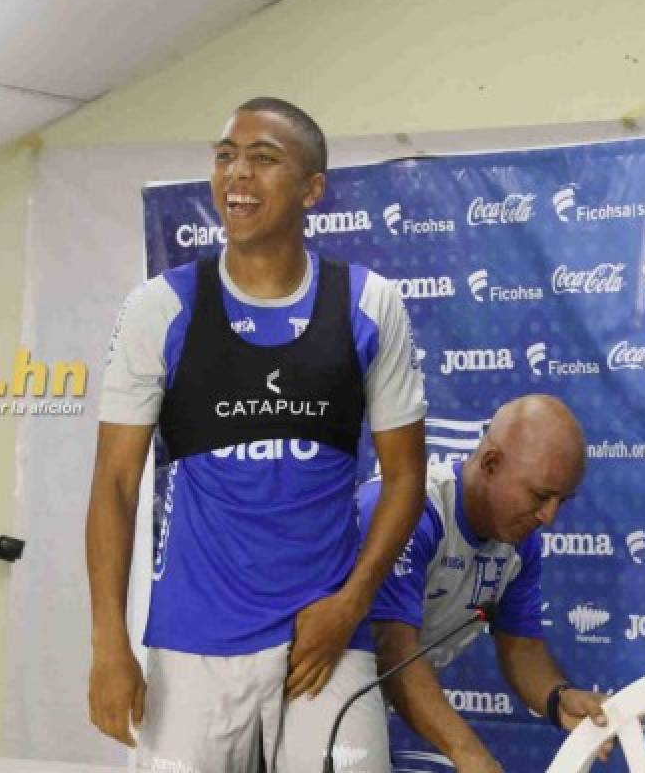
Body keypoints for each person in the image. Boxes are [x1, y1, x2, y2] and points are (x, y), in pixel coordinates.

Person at [85, 97, 427, 772]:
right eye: (225, 157)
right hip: (194, 644)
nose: (236, 175)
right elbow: (116, 484)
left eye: (263, 159)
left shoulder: (369, 302)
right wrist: (107, 643)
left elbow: (406, 477)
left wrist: (351, 603)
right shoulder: (161, 306)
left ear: (312, 189)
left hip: (326, 640)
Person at [358, 395, 608, 773]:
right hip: (299, 693)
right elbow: (393, 649)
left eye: (562, 501)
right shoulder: (411, 511)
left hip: (363, 703)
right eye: (541, 496)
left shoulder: (520, 541)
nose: (550, 516)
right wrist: (470, 755)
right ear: (491, 462)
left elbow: (521, 645)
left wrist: (558, 699)